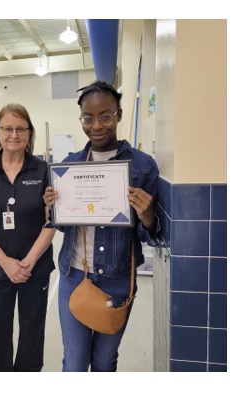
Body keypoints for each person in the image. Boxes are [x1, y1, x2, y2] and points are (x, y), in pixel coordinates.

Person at [43, 80, 161, 372]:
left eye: (105, 116)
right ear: (81, 119)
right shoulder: (69, 165)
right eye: (88, 118)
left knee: (106, 361)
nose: (96, 125)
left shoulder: (143, 166)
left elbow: (154, 235)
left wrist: (147, 216)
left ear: (119, 115)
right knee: (75, 361)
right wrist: (52, 208)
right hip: (75, 276)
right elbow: (61, 226)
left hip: (118, 279)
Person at [0, 103, 56, 372]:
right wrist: (6, 262)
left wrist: (28, 262)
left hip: (36, 269)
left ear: (29, 133)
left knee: (32, 332)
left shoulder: (43, 171)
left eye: (21, 128)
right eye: (7, 128)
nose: (14, 134)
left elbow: (51, 221)